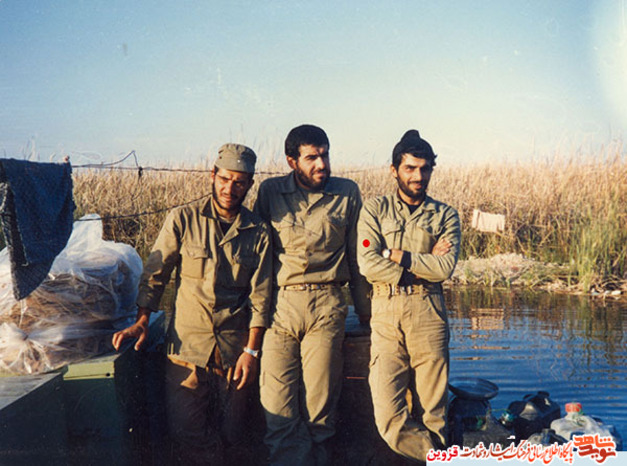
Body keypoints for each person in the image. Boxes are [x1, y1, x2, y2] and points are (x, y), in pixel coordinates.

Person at [112, 143, 272, 465]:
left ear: (250, 185)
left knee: (234, 435)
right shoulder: (183, 219)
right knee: (187, 433)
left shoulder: (258, 232)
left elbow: (261, 297)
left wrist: (251, 352)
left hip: (233, 353)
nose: (230, 189)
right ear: (213, 175)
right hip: (186, 351)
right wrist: (142, 320)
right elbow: (155, 274)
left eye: (239, 182)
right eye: (224, 179)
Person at [254, 124, 371, 465]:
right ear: (292, 161)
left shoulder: (347, 193)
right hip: (280, 308)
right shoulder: (270, 192)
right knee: (277, 410)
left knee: (320, 412)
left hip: (327, 306)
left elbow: (357, 259)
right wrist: (255, 315)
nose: (322, 164)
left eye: (325, 155)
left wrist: (367, 316)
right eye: (311, 158)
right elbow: (258, 258)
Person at [357, 130, 461, 462]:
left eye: (425, 168)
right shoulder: (374, 210)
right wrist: (419, 263)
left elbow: (443, 268)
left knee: (433, 412)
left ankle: (434, 455)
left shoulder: (445, 215)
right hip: (386, 312)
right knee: (388, 415)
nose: (418, 176)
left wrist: (395, 254)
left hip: (428, 311)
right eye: (410, 168)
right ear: (394, 170)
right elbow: (366, 261)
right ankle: (440, 458)